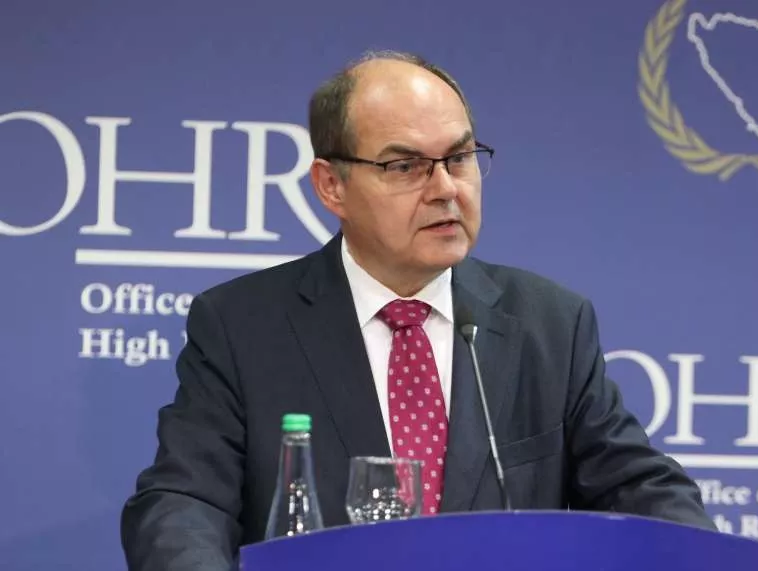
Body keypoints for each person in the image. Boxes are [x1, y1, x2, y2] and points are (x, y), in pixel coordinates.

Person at [120, 50, 714, 571]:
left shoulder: (550, 324)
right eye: (405, 166)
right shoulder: (243, 325)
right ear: (331, 186)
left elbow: (640, 487)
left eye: (460, 158)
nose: (446, 188)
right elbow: (184, 502)